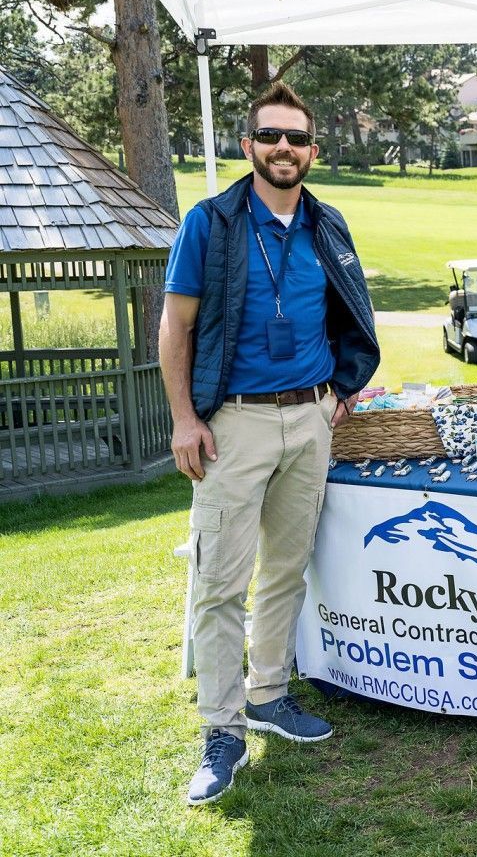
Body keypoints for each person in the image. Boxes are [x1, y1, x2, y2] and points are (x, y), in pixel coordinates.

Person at [159, 82, 380, 806]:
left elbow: (351, 315)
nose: (283, 148)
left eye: (296, 138)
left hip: (310, 419)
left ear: (312, 151)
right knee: (221, 581)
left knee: (286, 569)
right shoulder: (213, 222)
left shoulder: (327, 223)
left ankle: (268, 694)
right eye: (270, 135)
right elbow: (176, 327)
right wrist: (186, 419)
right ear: (248, 144)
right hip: (234, 426)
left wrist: (340, 391)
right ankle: (221, 730)